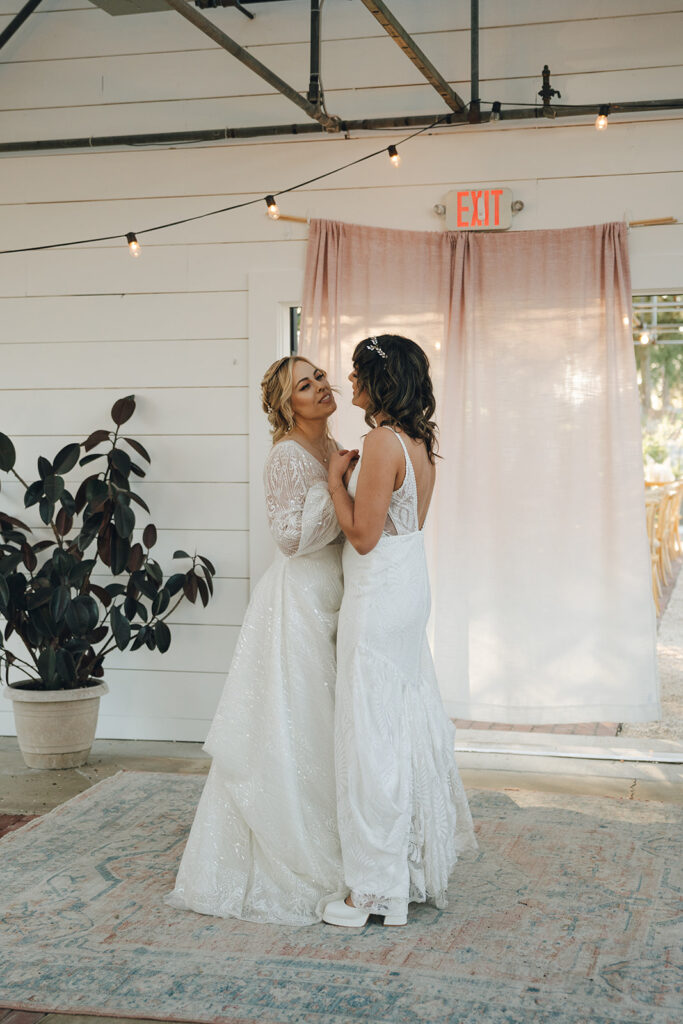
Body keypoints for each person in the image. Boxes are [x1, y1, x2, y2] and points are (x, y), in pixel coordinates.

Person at [166, 356, 349, 926]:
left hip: (337, 592)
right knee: (299, 721)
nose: (321, 387)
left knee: (333, 718)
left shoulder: (333, 443)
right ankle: (298, 849)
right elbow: (290, 539)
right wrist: (339, 487)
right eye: (305, 385)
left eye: (320, 376)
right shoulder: (287, 457)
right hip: (298, 600)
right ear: (285, 404)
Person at [322, 334, 477, 928]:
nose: (351, 384)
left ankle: (372, 893)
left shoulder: (380, 442)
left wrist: (336, 480)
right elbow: (403, 527)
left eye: (358, 375)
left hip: (379, 592)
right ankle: (402, 874)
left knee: (371, 737)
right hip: (408, 585)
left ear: (381, 383)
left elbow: (362, 537)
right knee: (398, 726)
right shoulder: (419, 443)